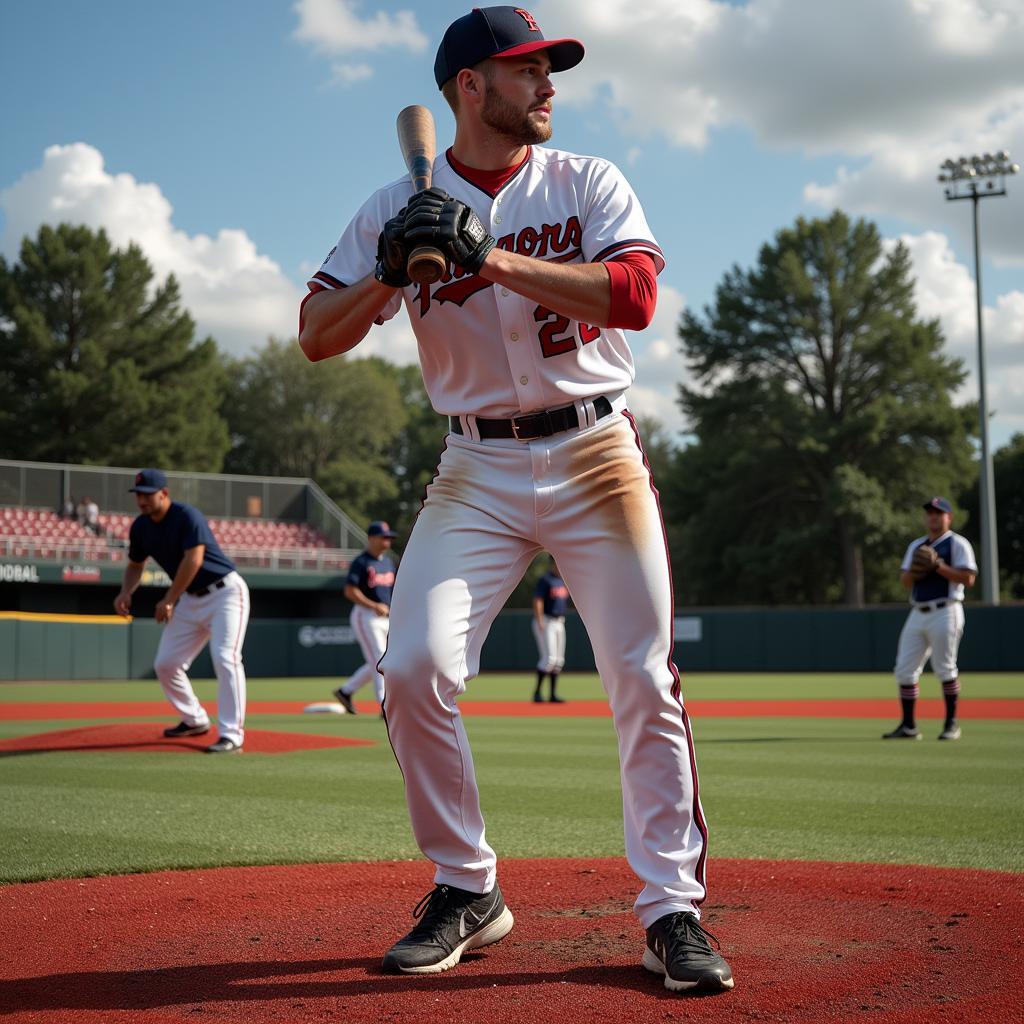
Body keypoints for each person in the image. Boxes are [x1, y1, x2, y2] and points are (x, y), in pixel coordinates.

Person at [299, 6, 733, 993]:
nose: (547, 85)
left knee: (639, 675)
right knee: (408, 668)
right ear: (469, 88)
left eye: (550, 69)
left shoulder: (586, 180)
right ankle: (467, 886)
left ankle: (670, 908)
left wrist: (488, 256)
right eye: (525, 69)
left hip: (594, 452)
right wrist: (384, 269)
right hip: (474, 469)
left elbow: (633, 296)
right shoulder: (387, 206)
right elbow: (315, 333)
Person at [113, 469, 250, 754]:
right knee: (166, 664)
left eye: (148, 493)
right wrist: (127, 591)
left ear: (164, 493)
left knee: (226, 658)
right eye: (138, 494)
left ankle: (231, 734)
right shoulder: (140, 527)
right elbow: (135, 565)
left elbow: (194, 559)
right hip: (189, 599)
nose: (142, 499)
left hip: (225, 593)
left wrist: (169, 599)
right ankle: (195, 719)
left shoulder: (187, 515)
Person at [884, 497, 977, 742]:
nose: (933, 516)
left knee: (945, 668)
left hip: (947, 610)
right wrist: (916, 570)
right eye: (930, 513)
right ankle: (908, 725)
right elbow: (905, 581)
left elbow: (968, 579)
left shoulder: (958, 543)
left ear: (949, 517)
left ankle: (951, 724)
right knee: (904, 669)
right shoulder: (917, 545)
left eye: (939, 512)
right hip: (918, 612)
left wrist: (938, 566)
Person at [332, 521, 398, 716]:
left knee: (382, 660)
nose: (387, 541)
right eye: (383, 537)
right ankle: (385, 706)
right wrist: (373, 605)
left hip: (385, 616)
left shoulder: (387, 562)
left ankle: (346, 691)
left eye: (389, 537)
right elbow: (350, 591)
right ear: (371, 538)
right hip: (365, 615)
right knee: (379, 659)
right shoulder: (361, 562)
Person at [532, 555, 568, 703]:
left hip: (560, 622)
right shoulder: (546, 579)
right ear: (553, 563)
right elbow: (538, 600)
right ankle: (537, 693)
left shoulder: (564, 580)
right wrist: (540, 620)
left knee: (559, 660)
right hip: (546, 621)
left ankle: (552, 695)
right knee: (549, 659)